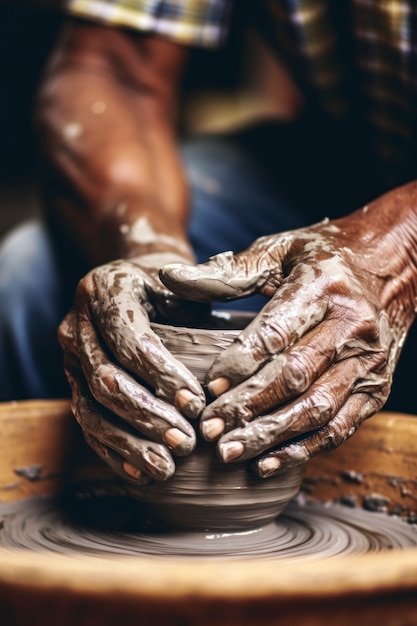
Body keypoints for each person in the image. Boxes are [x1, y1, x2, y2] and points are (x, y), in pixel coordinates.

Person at [1, 0, 417, 486]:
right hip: (355, 154)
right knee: (34, 277)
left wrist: (399, 250)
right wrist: (148, 250)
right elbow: (114, 70)